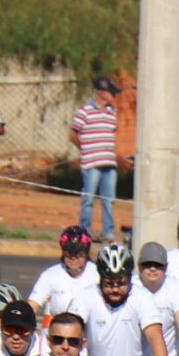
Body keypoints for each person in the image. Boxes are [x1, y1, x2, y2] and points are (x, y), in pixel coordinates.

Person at [72, 76, 124, 239]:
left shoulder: (111, 112)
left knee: (108, 200)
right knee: (88, 199)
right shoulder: (84, 111)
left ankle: (108, 232)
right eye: (111, 93)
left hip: (109, 164)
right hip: (91, 164)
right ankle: (85, 232)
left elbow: (112, 133)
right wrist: (84, 148)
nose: (114, 96)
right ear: (102, 93)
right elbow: (73, 133)